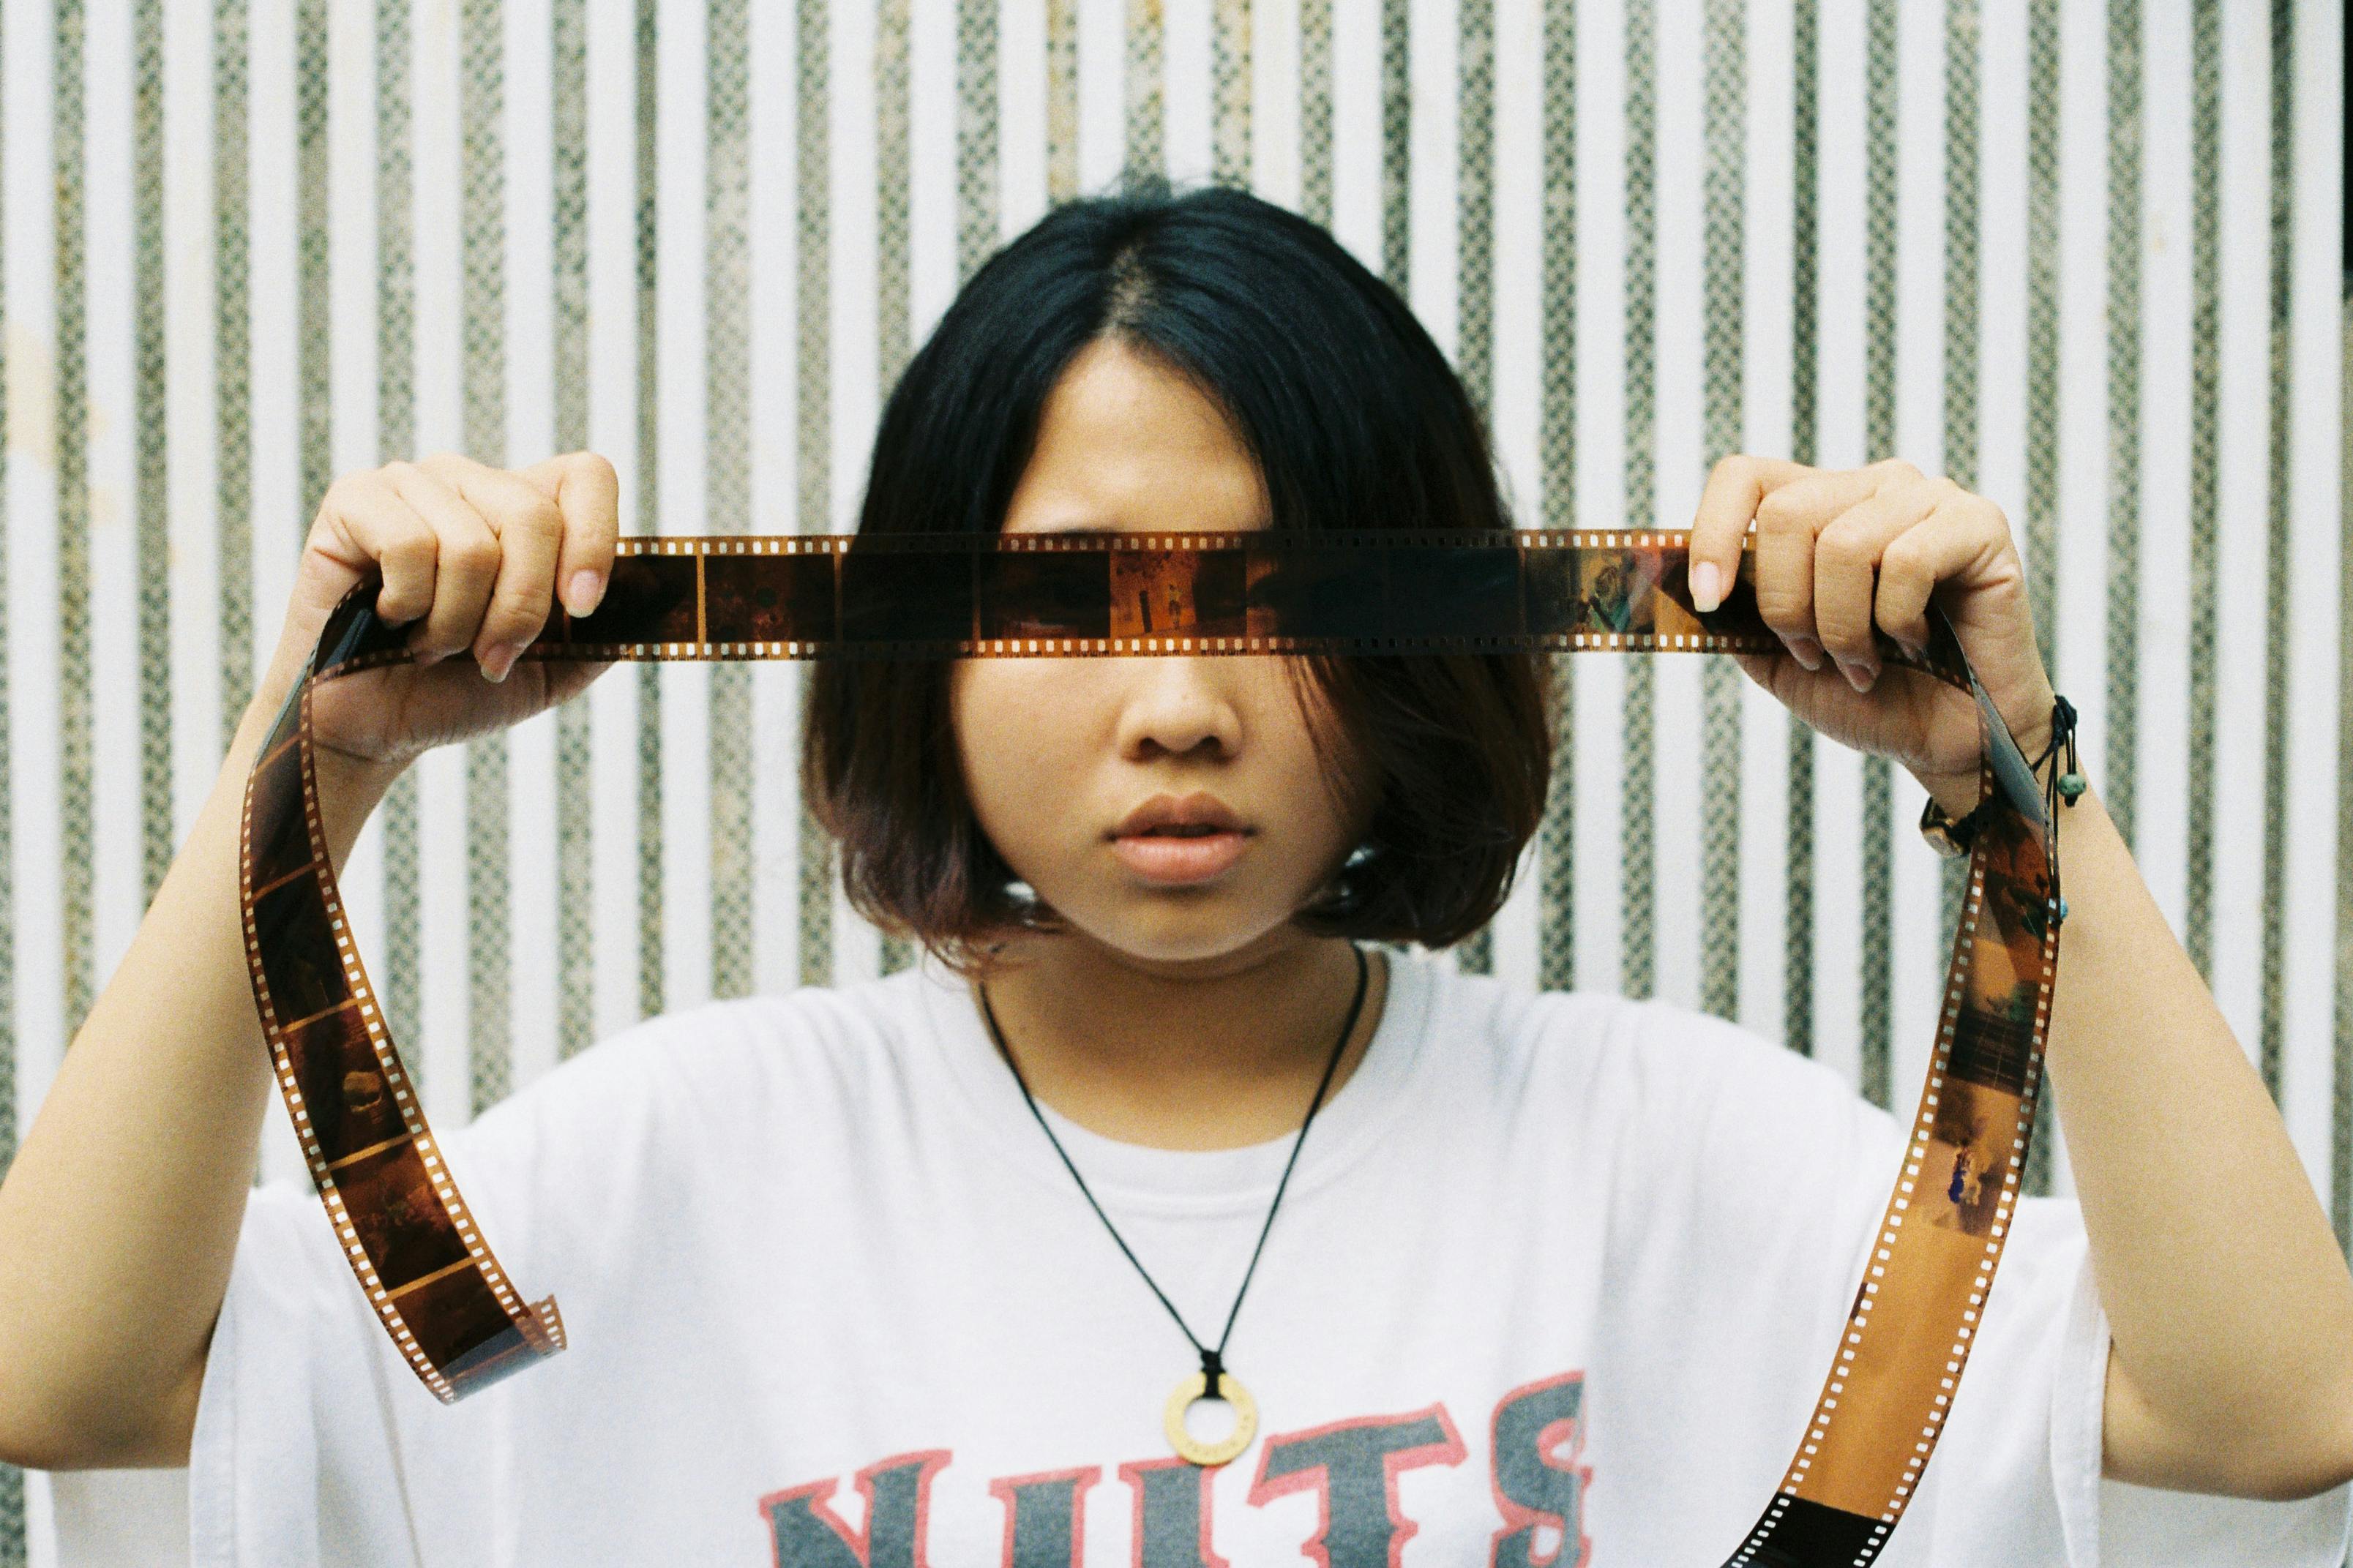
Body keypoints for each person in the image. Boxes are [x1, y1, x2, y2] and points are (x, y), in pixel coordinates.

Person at [4, 184, 2350, 1567]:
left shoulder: (1664, 1160)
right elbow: (71, 1381)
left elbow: (2268, 1425)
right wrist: (308, 765)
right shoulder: (687, 1166)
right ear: (920, 643)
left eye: (1280, 600)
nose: (1177, 705)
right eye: (1070, 603)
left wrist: (2010, 773)